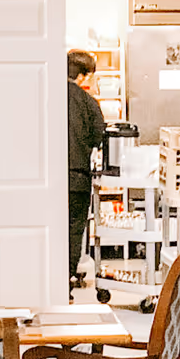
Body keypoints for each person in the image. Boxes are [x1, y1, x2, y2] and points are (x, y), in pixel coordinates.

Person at [66, 49, 105, 287]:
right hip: (77, 178)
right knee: (73, 230)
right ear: (82, 75)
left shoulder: (44, 94)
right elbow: (98, 138)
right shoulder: (88, 103)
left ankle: (48, 279)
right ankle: (66, 280)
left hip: (48, 178)